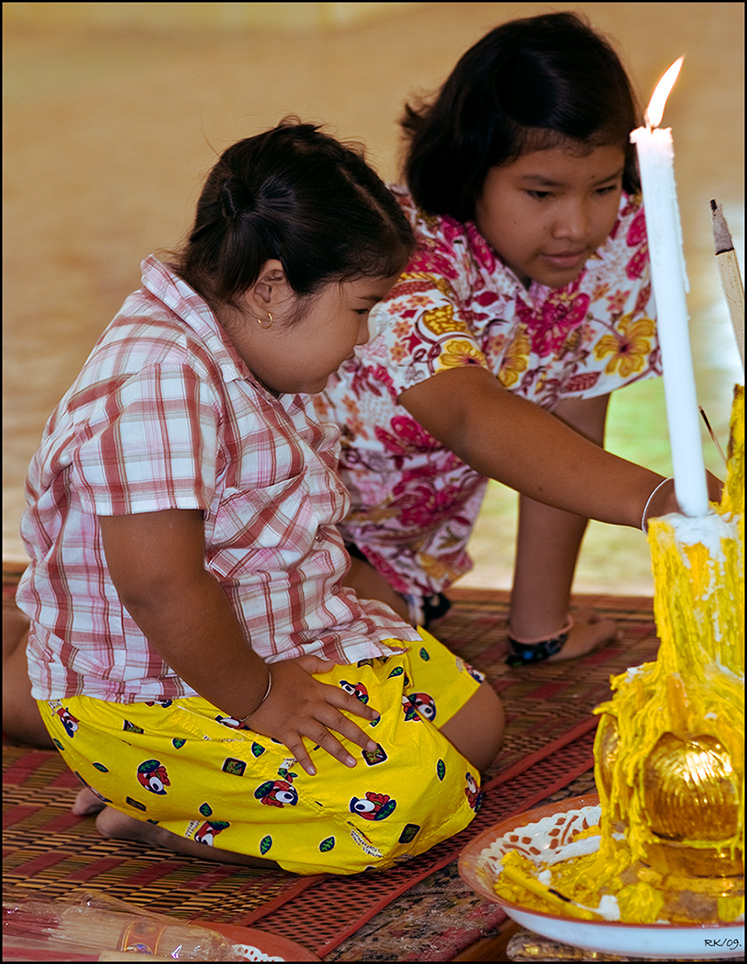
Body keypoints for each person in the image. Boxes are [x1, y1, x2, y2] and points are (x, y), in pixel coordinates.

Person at [12, 120, 505, 875]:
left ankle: (202, 801)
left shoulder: (248, 352)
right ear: (272, 287)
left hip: (277, 644)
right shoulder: (156, 386)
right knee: (411, 800)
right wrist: (268, 697)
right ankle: (163, 816)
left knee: (474, 727)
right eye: (362, 309)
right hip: (158, 694)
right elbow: (158, 587)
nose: (365, 339)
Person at [315, 12, 720, 663]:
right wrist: (657, 500)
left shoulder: (614, 243)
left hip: (403, 562)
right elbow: (473, 415)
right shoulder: (397, 250)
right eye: (540, 192)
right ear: (471, 167)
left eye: (604, 186)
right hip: (284, 531)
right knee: (412, 693)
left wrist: (542, 624)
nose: (576, 226)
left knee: (404, 658)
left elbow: (571, 432)